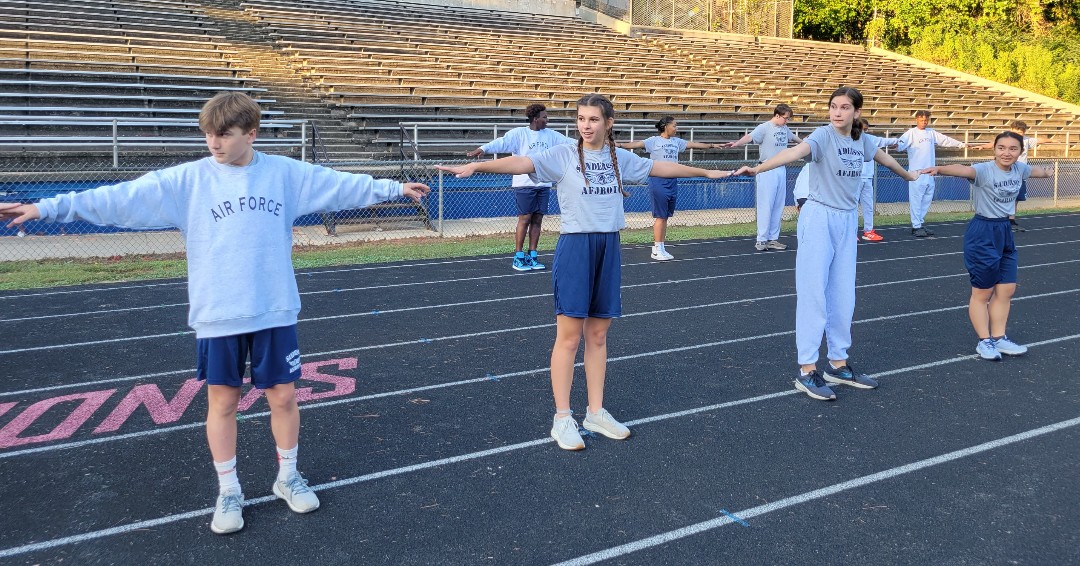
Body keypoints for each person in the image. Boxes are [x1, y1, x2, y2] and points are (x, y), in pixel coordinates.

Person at [0, 92, 430, 534]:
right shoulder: (187, 181)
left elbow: (340, 184)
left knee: (283, 397)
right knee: (222, 401)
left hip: (274, 309)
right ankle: (229, 490)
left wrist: (393, 188)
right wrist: (45, 207)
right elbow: (118, 198)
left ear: (252, 134)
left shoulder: (284, 173)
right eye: (208, 134)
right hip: (219, 313)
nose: (214, 143)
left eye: (224, 134)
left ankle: (287, 478)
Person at [438, 94, 732, 449]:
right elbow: (521, 162)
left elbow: (658, 168)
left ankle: (595, 411)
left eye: (593, 119)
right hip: (576, 247)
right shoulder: (562, 155)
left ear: (608, 123)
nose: (586, 125)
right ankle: (562, 418)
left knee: (597, 336)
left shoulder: (619, 157)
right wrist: (477, 166)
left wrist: (706, 171)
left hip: (609, 246)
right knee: (569, 336)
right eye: (581, 118)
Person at [733, 87, 920, 401]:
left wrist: (910, 176)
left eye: (845, 107)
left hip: (847, 220)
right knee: (813, 294)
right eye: (833, 106)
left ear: (856, 112)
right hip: (819, 217)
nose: (837, 113)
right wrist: (759, 167)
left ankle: (838, 363)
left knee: (843, 295)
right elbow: (793, 153)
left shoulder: (863, 140)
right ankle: (807, 370)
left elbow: (888, 161)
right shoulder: (822, 135)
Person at [917, 131, 1054, 361]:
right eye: (1001, 147)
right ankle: (984, 341)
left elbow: (1036, 171)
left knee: (1006, 289)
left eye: (1012, 148)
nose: (1006, 152)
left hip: (1004, 231)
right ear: (995, 150)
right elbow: (964, 170)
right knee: (982, 292)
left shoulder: (1020, 169)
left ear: (1021, 151)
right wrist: (939, 169)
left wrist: (1048, 172)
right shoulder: (984, 170)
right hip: (983, 232)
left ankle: (999, 338)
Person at [467, 103, 576, 271]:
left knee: (537, 220)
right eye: (544, 117)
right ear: (535, 119)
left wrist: (591, 144)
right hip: (524, 185)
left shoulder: (551, 135)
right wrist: (483, 148)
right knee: (524, 219)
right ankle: (518, 257)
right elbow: (501, 142)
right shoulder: (519, 134)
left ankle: (532, 255)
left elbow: (570, 143)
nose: (547, 120)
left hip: (544, 184)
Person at [616, 116, 720, 260]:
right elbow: (637, 144)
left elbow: (693, 145)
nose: (676, 129)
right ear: (665, 126)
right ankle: (657, 249)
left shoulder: (676, 142)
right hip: (658, 180)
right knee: (661, 216)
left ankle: (661, 247)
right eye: (674, 126)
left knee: (665, 216)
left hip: (672, 180)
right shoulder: (654, 141)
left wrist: (712, 146)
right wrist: (619, 145)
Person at [722, 103, 803, 251]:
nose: (787, 121)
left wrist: (807, 144)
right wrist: (737, 143)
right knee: (766, 205)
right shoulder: (765, 127)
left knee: (778, 205)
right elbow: (750, 137)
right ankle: (761, 239)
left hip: (781, 168)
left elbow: (795, 139)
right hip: (766, 169)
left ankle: (773, 239)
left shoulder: (784, 128)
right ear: (777, 115)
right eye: (785, 118)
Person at [896, 110, 967, 237]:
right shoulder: (911, 133)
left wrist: (961, 144)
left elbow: (945, 140)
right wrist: (893, 144)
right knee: (916, 200)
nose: (924, 122)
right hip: (916, 174)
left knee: (927, 199)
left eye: (926, 120)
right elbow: (899, 145)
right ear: (917, 119)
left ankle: (920, 224)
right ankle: (915, 226)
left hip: (930, 172)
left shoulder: (931, 133)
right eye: (922, 120)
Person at [855, 118, 901, 242]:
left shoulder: (869, 139)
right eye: (861, 129)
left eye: (865, 129)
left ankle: (868, 231)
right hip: (855, 178)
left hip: (868, 178)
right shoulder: (850, 139)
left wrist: (897, 140)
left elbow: (882, 141)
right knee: (851, 207)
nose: (863, 132)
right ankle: (850, 232)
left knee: (868, 206)